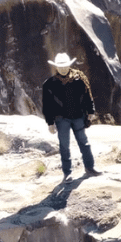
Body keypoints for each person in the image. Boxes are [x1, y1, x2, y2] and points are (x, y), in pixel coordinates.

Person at [42, 52, 100, 180]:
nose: (63, 68)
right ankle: (67, 173)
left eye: (65, 66)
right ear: (56, 67)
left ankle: (90, 168)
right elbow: (47, 106)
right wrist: (50, 123)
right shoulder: (49, 84)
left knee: (84, 143)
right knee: (64, 146)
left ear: (69, 66)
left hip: (78, 117)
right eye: (60, 66)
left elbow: (87, 97)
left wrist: (91, 112)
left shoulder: (79, 80)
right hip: (61, 119)